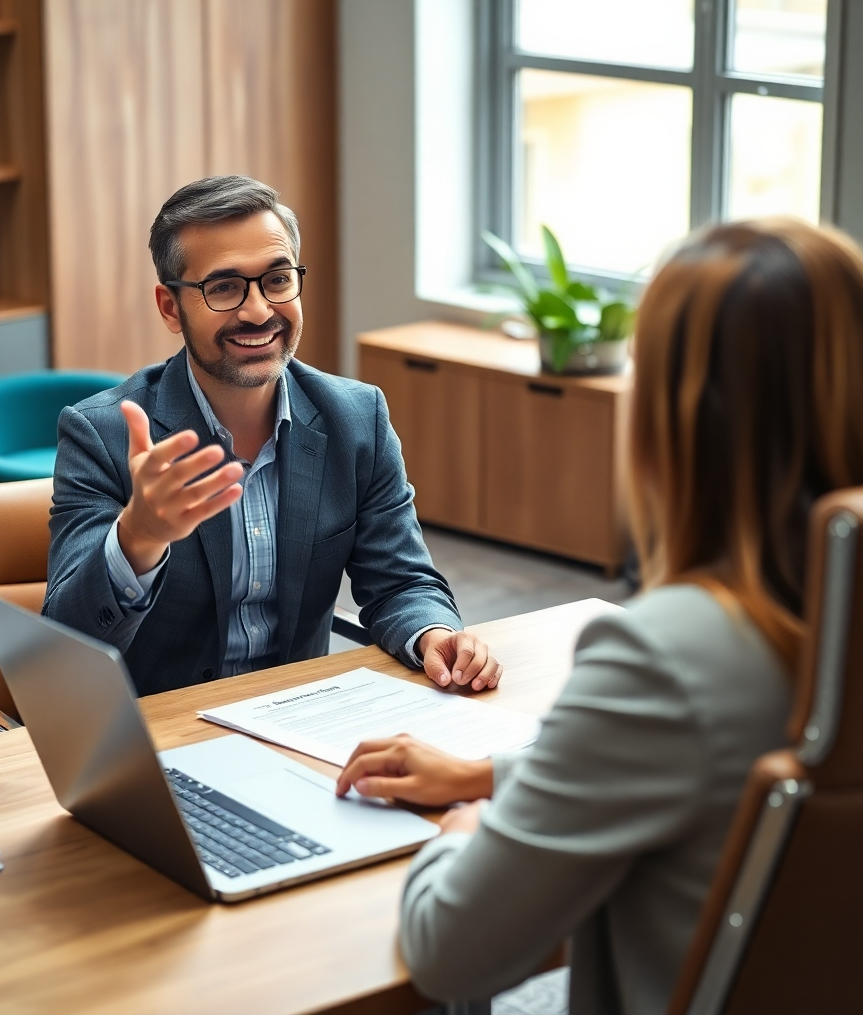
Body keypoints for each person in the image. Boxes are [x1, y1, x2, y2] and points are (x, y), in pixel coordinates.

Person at [335, 219, 863, 1013]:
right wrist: (493, 774)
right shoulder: (828, 617)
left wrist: (462, 838)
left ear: (679, 411)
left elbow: (450, 952)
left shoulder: (663, 655)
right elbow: (683, 770)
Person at [42, 175, 502, 697]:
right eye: (224, 288)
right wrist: (139, 536)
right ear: (171, 308)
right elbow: (65, 643)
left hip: (294, 724)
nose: (259, 311)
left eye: (277, 280)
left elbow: (401, 581)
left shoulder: (356, 418)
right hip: (153, 735)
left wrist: (433, 633)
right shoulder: (102, 434)